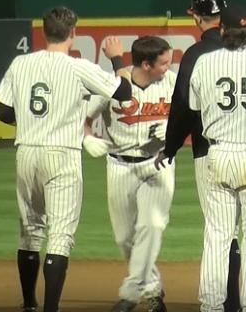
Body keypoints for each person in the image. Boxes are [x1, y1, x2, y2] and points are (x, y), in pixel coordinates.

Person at [0, 6, 132, 312]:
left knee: (30, 231)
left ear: (44, 32)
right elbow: (123, 93)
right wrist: (118, 59)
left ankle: (29, 303)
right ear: (73, 33)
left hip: (27, 151)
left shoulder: (21, 62)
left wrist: (34, 121)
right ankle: (50, 309)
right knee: (60, 237)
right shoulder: (78, 67)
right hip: (62, 155)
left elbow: (3, 112)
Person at [181, 5, 246, 311]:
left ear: (223, 31)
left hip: (218, 152)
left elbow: (194, 108)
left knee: (218, 236)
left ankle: (210, 305)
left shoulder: (204, 62)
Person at [158, 0, 241, 311]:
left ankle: (219, 304)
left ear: (195, 14)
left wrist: (170, 146)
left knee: (220, 232)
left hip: (209, 152)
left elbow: (182, 107)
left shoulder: (195, 55)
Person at [83, 36, 175, 312]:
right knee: (125, 237)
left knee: (152, 225)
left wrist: (173, 129)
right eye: (164, 62)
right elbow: (82, 118)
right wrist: (86, 138)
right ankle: (153, 289)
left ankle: (130, 295)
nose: (169, 67)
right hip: (119, 165)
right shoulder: (111, 86)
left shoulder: (172, 83)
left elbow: (194, 116)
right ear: (145, 64)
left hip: (158, 163)